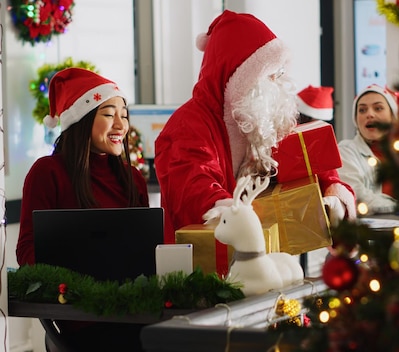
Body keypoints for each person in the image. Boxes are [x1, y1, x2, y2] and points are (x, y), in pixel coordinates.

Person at [154, 10, 356, 247]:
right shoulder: (187, 125)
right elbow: (193, 187)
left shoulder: (264, 115)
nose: (277, 82)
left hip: (266, 258)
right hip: (204, 263)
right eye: (269, 74)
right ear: (240, 77)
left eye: (279, 73)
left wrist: (333, 192)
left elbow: (307, 161)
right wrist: (240, 219)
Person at [16, 67, 149, 351]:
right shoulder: (47, 172)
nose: (121, 125)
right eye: (109, 114)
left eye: (123, 115)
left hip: (136, 312)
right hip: (82, 319)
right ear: (82, 118)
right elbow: (27, 251)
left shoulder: (133, 177)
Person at [337, 84, 399, 215]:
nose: (370, 114)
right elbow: (357, 196)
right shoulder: (345, 151)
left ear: (393, 117)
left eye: (378, 108)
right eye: (362, 110)